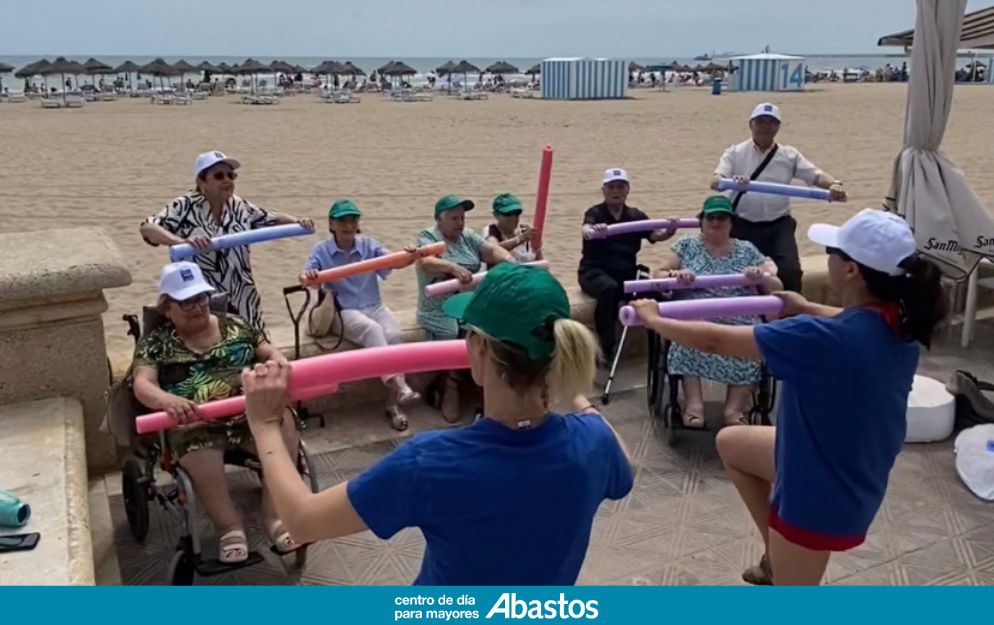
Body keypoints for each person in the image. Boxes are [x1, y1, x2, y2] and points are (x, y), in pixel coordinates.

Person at [241, 263, 634, 585]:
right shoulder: (593, 443)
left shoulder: (431, 463)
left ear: (478, 347)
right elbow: (625, 465)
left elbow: (303, 519)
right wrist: (573, 394)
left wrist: (265, 423)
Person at [630, 208, 947, 585]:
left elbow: (716, 340)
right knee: (732, 443)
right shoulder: (902, 323)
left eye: (833, 250)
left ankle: (786, 564)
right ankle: (776, 557)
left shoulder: (816, 338)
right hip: (851, 463)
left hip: (818, 495)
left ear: (850, 270)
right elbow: (844, 319)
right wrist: (806, 305)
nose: (828, 256)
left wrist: (653, 318)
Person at [131, 262, 302, 564]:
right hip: (195, 420)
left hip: (249, 414)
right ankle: (229, 528)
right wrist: (166, 400)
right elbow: (143, 384)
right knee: (195, 443)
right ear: (167, 307)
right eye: (186, 301)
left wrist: (276, 362)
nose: (196, 306)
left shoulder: (236, 325)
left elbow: (270, 351)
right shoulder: (155, 343)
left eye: (201, 297)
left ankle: (275, 516)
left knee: (283, 418)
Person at [140, 150, 314, 333]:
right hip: (204, 300)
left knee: (255, 342)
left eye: (231, 175)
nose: (227, 180)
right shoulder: (184, 206)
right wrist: (180, 242)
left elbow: (270, 217)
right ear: (201, 181)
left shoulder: (238, 205)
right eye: (218, 175)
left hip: (243, 294)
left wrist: (297, 221)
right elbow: (147, 228)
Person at [653, 196, 782, 428]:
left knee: (752, 342)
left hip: (738, 313)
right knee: (687, 339)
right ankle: (694, 405)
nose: (716, 222)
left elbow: (776, 289)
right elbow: (659, 274)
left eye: (722, 217)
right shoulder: (686, 245)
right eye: (710, 217)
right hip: (697, 310)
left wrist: (761, 275)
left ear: (731, 223)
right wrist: (675, 276)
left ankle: (734, 409)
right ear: (701, 221)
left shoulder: (747, 250)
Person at [299, 199, 421, 431]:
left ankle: (393, 405)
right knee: (371, 330)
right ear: (332, 224)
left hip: (374, 306)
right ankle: (401, 386)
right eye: (342, 220)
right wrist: (311, 274)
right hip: (344, 312)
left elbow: (392, 261)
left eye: (353, 220)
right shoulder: (321, 250)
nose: (348, 225)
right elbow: (305, 277)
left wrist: (408, 255)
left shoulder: (368, 245)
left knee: (394, 335)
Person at [710, 103, 848, 293]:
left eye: (771, 122)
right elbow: (716, 180)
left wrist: (834, 184)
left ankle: (790, 315)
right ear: (751, 124)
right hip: (743, 224)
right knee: (736, 273)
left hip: (778, 225)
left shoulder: (789, 155)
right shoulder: (735, 152)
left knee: (791, 271)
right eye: (761, 121)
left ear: (778, 127)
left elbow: (815, 175)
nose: (766, 126)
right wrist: (729, 181)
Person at [416, 195, 512, 422]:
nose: (460, 223)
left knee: (485, 334)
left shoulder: (467, 237)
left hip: (467, 305)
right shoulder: (428, 236)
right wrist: (452, 267)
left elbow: (490, 251)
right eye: (454, 218)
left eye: (462, 218)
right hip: (437, 308)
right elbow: (425, 261)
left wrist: (510, 261)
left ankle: (486, 392)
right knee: (451, 336)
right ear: (440, 219)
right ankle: (451, 388)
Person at [578, 168, 674, 366]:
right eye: (611, 187)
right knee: (609, 290)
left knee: (659, 293)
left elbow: (656, 235)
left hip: (626, 272)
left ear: (627, 189)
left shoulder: (635, 215)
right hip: (594, 271)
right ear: (604, 190)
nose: (616, 191)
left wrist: (670, 231)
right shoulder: (595, 212)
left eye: (620, 187)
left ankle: (667, 346)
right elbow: (586, 228)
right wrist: (593, 230)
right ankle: (606, 348)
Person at [482, 193, 537, 264]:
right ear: (496, 215)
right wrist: (519, 239)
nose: (513, 218)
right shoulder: (491, 230)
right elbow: (493, 250)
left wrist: (537, 247)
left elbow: (539, 262)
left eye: (517, 213)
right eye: (508, 213)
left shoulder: (523, 232)